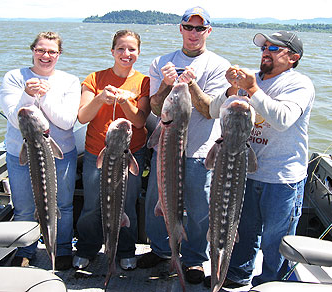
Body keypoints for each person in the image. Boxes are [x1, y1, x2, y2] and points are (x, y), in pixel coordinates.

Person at [206, 31, 315, 288]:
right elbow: (212, 111)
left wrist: (252, 89)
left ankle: (272, 283)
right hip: (245, 173)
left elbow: (282, 120)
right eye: (264, 47)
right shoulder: (251, 81)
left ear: (293, 57)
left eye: (275, 48)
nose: (266, 51)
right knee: (244, 232)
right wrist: (233, 89)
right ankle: (236, 276)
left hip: (282, 177)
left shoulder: (299, 84)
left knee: (276, 241)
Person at [138, 7, 231, 285]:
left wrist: (191, 86)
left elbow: (209, 110)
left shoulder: (218, 65)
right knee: (157, 201)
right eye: (188, 27)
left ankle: (193, 259)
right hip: (165, 150)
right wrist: (167, 85)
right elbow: (155, 107)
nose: (194, 33)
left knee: (200, 208)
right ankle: (161, 249)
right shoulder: (161, 62)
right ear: (180, 29)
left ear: (208, 31)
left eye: (200, 28)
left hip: (200, 151)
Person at [0, 31, 81, 270]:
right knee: (24, 206)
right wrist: (27, 94)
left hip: (61, 153)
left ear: (59, 54)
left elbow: (66, 122)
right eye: (40, 50)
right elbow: (16, 119)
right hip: (20, 154)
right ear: (32, 50)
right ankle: (26, 249)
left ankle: (63, 248)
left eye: (52, 51)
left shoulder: (69, 81)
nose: (46, 56)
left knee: (63, 206)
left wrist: (42, 98)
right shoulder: (15, 77)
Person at [73, 30, 150, 271]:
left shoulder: (144, 82)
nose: (126, 54)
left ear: (138, 52)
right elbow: (83, 116)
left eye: (131, 49)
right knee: (93, 204)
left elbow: (139, 121)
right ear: (112, 51)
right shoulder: (94, 79)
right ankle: (87, 247)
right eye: (120, 48)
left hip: (131, 154)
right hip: (97, 153)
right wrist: (100, 99)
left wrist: (126, 101)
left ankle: (125, 250)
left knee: (127, 204)